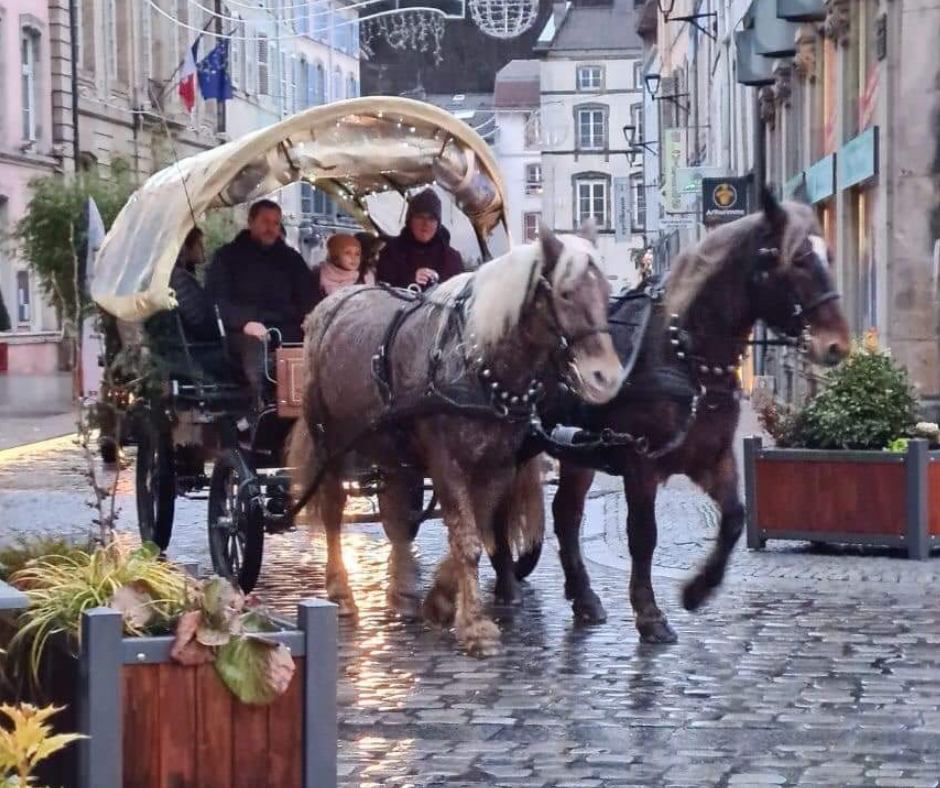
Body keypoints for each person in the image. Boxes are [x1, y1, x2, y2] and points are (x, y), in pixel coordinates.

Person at [205, 199, 316, 400]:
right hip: (245, 332)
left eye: (275, 223)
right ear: (250, 222)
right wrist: (245, 322)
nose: (271, 228)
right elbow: (216, 301)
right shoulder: (227, 257)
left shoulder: (292, 259)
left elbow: (308, 297)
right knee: (256, 348)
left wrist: (310, 320)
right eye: (265, 221)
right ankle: (261, 407)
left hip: (287, 329)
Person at [375, 189, 464, 290]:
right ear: (410, 221)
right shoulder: (391, 252)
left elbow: (460, 296)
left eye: (431, 218)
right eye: (420, 217)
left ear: (438, 224)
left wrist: (437, 283)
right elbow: (381, 292)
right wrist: (410, 281)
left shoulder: (452, 258)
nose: (425, 223)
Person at [169, 227, 217, 341]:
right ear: (185, 247)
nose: (203, 249)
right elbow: (197, 320)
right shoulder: (178, 278)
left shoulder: (184, 274)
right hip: (194, 348)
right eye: (199, 244)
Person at [311, 234, 375, 303]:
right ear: (335, 255)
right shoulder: (317, 275)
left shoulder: (366, 276)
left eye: (357, 254)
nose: (353, 258)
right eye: (347, 253)